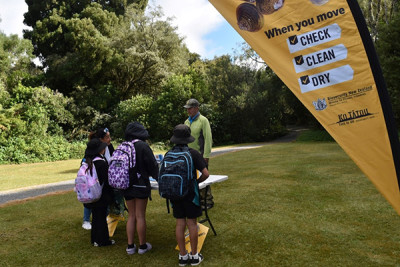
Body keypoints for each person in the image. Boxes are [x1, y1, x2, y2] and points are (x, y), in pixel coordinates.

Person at [168, 124, 209, 266]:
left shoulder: (169, 154)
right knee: (192, 223)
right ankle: (194, 256)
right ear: (188, 138)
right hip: (191, 195)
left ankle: (183, 256)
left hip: (175, 194)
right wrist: (196, 182)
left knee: (180, 223)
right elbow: (206, 174)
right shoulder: (193, 153)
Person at [123, 122, 159, 255]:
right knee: (140, 216)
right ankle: (142, 246)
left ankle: (130, 246)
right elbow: (153, 166)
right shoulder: (143, 146)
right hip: (140, 185)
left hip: (126, 185)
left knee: (131, 215)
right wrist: (159, 178)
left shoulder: (124, 146)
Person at [83, 138, 115, 246]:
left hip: (91, 193)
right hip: (101, 194)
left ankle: (95, 239)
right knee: (101, 217)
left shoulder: (88, 161)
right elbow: (107, 179)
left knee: (96, 217)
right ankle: (103, 240)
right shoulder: (101, 163)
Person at [184, 98, 214, 209]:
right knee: (192, 177)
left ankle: (208, 200)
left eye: (190, 108)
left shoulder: (203, 120)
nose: (188, 111)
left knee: (204, 177)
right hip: (189, 155)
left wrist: (206, 155)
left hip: (201, 155)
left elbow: (208, 138)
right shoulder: (186, 122)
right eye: (187, 109)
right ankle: (196, 199)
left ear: (197, 108)